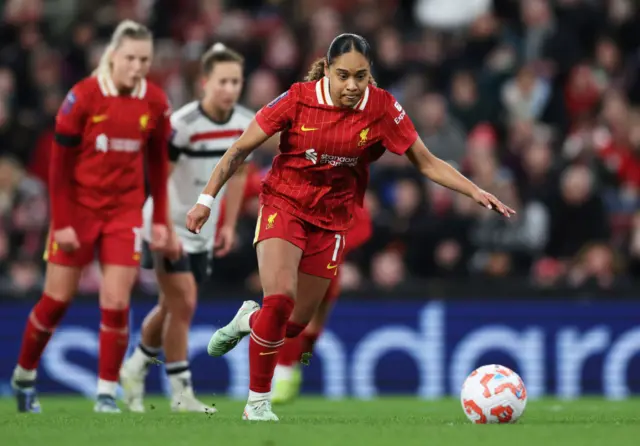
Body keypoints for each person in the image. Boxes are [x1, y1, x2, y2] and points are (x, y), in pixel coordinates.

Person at [186, 33, 515, 421]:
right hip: (284, 204)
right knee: (279, 300)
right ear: (327, 70)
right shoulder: (297, 98)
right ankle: (257, 404)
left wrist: (473, 189)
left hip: (333, 219)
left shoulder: (381, 108)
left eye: (360, 76)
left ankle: (247, 319)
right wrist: (206, 200)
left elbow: (425, 162)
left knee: (292, 326)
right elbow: (240, 148)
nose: (352, 85)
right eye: (343, 75)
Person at [10, 20, 171, 414]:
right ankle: (24, 375)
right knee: (56, 300)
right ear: (112, 57)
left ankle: (104, 394)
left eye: (144, 60)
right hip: (78, 210)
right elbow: (58, 169)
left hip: (124, 211)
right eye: (130, 58)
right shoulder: (81, 98)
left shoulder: (153, 101)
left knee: (116, 302)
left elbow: (158, 162)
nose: (137, 66)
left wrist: (162, 218)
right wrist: (62, 221)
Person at [119, 44, 253, 413]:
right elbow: (159, 177)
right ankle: (181, 393)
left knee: (170, 306)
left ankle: (134, 367)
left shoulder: (245, 122)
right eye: (222, 81)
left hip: (203, 231)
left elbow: (240, 174)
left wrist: (228, 223)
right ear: (204, 83)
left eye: (236, 81)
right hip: (167, 226)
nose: (229, 88)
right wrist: (161, 226)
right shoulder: (182, 125)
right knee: (184, 304)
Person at [272, 203, 372, 404]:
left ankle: (299, 362)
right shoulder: (301, 192)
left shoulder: (348, 194)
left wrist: (338, 245)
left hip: (331, 269)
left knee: (314, 328)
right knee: (293, 319)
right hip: (303, 265)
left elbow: (364, 229)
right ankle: (283, 375)